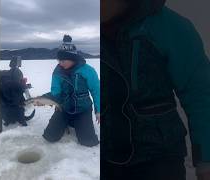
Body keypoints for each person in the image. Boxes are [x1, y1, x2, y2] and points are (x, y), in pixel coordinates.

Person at [101, 0, 210, 179]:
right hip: (105, 157)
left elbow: (200, 93)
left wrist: (206, 159)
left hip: (158, 158)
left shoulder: (168, 27)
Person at [42, 35, 100, 147]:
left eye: (63, 60)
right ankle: (66, 122)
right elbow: (56, 92)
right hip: (64, 108)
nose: (60, 63)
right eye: (59, 60)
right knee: (50, 136)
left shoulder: (87, 70)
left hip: (83, 109)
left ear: (73, 59)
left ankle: (76, 122)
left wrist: (98, 110)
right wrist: (44, 99)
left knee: (88, 142)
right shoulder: (58, 71)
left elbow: (96, 90)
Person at [1, 56, 33, 126]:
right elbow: (19, 89)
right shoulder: (18, 72)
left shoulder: (3, 74)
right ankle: (19, 118)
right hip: (15, 109)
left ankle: (10, 118)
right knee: (19, 101)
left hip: (5, 114)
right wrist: (25, 86)